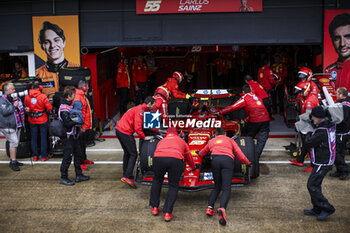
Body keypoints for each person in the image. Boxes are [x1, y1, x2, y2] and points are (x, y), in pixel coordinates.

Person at [198, 127, 250, 226]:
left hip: (215, 161)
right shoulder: (230, 140)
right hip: (227, 161)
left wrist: (198, 153)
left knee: (217, 186)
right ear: (225, 133)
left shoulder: (212, 141)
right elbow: (240, 155)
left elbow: (203, 152)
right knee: (226, 188)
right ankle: (222, 208)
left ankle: (209, 208)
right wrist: (247, 163)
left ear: (215, 134)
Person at [149, 127, 196, 222]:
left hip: (159, 158)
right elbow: (188, 157)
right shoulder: (181, 141)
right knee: (173, 185)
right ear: (176, 133)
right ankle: (167, 213)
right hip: (175, 159)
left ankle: (154, 208)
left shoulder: (161, 141)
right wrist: (193, 167)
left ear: (167, 134)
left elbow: (154, 152)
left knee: (157, 181)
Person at [303, 106, 336, 221]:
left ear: (317, 117)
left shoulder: (321, 131)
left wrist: (306, 131)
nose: (311, 118)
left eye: (312, 116)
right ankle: (317, 208)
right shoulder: (328, 124)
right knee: (315, 185)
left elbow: (308, 143)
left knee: (311, 185)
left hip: (323, 162)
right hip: (326, 159)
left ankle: (327, 208)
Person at [219, 84, 270, 158]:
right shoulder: (257, 96)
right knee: (262, 140)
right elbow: (257, 109)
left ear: (243, 91)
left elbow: (233, 107)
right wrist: (246, 119)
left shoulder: (245, 97)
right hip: (265, 119)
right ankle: (256, 156)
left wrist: (220, 112)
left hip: (255, 121)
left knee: (248, 138)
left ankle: (248, 155)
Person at [116, 96, 156, 188]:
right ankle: (127, 176)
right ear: (149, 104)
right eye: (153, 105)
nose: (153, 107)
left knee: (127, 153)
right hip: (125, 132)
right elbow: (138, 128)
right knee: (133, 154)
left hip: (120, 130)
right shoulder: (140, 111)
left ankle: (126, 174)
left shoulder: (140, 108)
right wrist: (144, 137)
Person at [36, 21, 79, 95]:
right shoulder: (38, 74)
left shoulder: (77, 69)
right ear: (42, 46)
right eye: (47, 42)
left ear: (64, 42)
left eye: (56, 40)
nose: (52, 46)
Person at [59, 86, 90, 186]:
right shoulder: (64, 107)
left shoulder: (69, 105)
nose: (75, 96)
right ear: (69, 96)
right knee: (67, 157)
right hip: (67, 137)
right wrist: (77, 122)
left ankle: (79, 174)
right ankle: (63, 177)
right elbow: (67, 123)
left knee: (78, 154)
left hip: (73, 135)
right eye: (73, 95)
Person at [290, 80, 319, 170]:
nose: (300, 94)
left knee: (309, 146)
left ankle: (313, 165)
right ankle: (300, 160)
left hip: (308, 127)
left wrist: (299, 119)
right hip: (309, 126)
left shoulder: (309, 101)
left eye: (301, 92)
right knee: (306, 145)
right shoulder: (311, 96)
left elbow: (309, 116)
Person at [24, 81, 53, 161]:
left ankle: (35, 155)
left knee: (34, 137)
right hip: (42, 119)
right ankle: (43, 156)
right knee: (43, 137)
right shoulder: (43, 96)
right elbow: (50, 108)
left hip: (32, 119)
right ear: (40, 88)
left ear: (32, 88)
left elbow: (26, 107)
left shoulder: (26, 97)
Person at [0, 82, 25, 171]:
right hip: (8, 126)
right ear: (7, 90)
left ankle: (13, 159)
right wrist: (14, 106)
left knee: (15, 142)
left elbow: (18, 109)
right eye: (13, 89)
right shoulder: (2, 100)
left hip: (17, 124)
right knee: (14, 142)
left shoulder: (14, 98)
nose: (14, 90)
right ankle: (13, 162)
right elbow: (5, 112)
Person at [325, 13, 350, 90]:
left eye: (348, 37)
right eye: (337, 38)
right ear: (332, 40)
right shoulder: (329, 70)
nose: (342, 44)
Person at [329, 87, 350, 180]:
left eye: (337, 93)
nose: (335, 95)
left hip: (342, 132)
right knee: (340, 152)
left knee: (335, 152)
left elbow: (341, 119)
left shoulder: (343, 105)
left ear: (342, 95)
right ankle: (339, 171)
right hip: (343, 132)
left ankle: (345, 170)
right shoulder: (345, 103)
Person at [72, 80, 94, 171]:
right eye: (87, 86)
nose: (88, 88)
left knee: (83, 144)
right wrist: (82, 126)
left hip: (86, 126)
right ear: (84, 87)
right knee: (79, 145)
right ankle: (80, 163)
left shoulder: (82, 96)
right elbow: (79, 115)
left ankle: (84, 159)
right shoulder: (78, 98)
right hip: (82, 127)